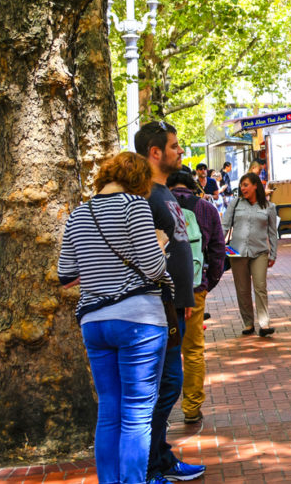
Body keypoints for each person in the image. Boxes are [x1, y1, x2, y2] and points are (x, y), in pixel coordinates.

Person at [57, 152, 172, 484]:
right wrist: (160, 242)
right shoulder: (134, 206)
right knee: (136, 414)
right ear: (139, 179)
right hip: (139, 319)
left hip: (94, 321)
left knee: (109, 411)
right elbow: (153, 268)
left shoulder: (79, 213)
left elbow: (66, 273)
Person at [133, 121, 204, 483]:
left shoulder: (164, 193)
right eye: (174, 146)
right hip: (158, 309)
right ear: (155, 152)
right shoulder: (144, 197)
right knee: (165, 386)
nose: (180, 151)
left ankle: (160, 458)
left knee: (169, 384)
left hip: (174, 306)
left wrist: (185, 297)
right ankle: (149, 466)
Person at [166, 169, 225, 426]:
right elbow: (218, 252)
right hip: (194, 289)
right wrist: (206, 283)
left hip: (161, 292)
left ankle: (161, 412)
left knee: (163, 352)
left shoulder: (153, 206)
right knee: (193, 350)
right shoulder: (206, 209)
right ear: (193, 186)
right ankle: (191, 408)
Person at [222, 173, 279, 336]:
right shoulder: (235, 203)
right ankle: (248, 323)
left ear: (255, 186)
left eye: (246, 184)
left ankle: (264, 323)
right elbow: (225, 226)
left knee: (260, 287)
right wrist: (217, 247)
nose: (242, 188)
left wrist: (273, 254)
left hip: (260, 252)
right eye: (241, 185)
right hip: (236, 251)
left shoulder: (269, 207)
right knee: (242, 289)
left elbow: (273, 233)